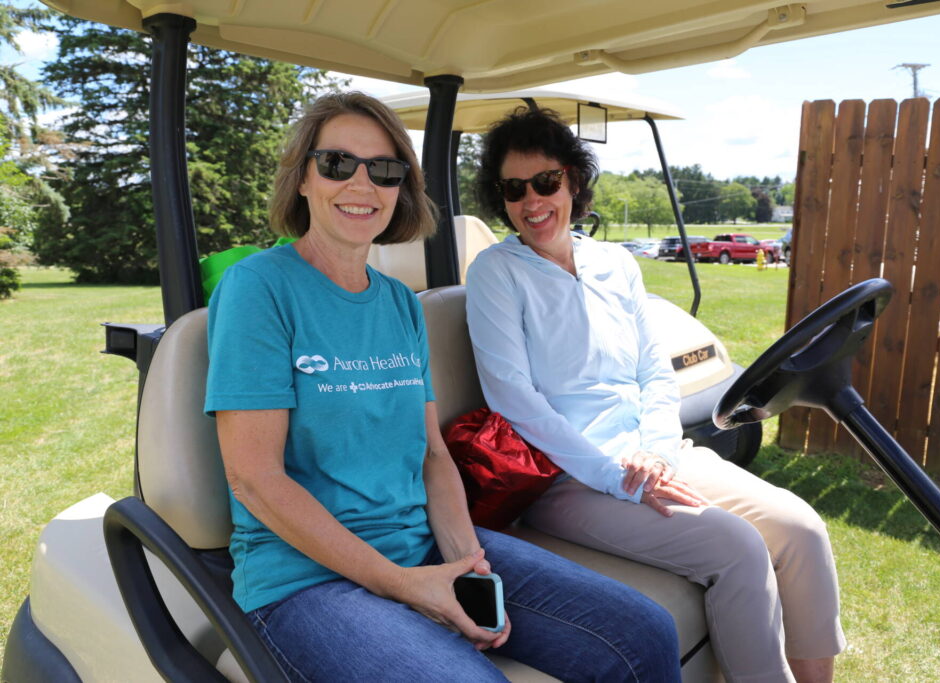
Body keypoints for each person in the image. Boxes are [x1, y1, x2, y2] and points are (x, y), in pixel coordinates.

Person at [204, 92, 682, 682]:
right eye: (337, 163)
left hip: (421, 544)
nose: (361, 184)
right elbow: (254, 478)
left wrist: (465, 560)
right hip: (304, 580)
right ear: (302, 177)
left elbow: (432, 454)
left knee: (644, 633)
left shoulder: (400, 304)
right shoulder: (258, 289)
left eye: (384, 169)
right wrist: (405, 585)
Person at [465, 107, 846, 683]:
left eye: (545, 181)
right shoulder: (497, 272)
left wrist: (657, 456)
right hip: (569, 477)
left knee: (802, 530)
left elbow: (654, 372)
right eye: (513, 189)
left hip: (654, 454)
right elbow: (514, 399)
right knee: (738, 549)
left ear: (572, 179)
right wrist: (618, 475)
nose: (531, 201)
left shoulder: (615, 262)